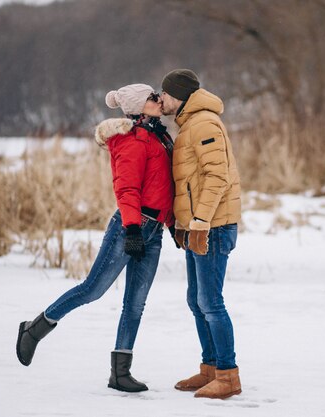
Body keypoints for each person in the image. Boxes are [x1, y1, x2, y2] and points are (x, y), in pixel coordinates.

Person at [16, 84, 175, 393]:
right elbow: (126, 190)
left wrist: (171, 223)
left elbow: (163, 187)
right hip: (131, 224)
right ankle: (34, 329)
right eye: (152, 97)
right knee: (92, 289)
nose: (159, 99)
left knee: (136, 303)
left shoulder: (158, 135)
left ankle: (120, 372)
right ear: (139, 107)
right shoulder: (131, 140)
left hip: (154, 229)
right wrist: (131, 229)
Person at [160, 69, 242, 399]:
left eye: (164, 93)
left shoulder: (204, 123)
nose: (160, 99)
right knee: (197, 300)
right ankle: (210, 369)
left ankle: (228, 375)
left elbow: (216, 178)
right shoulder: (190, 124)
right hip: (199, 225)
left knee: (210, 301)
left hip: (213, 226)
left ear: (178, 95)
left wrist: (199, 221)